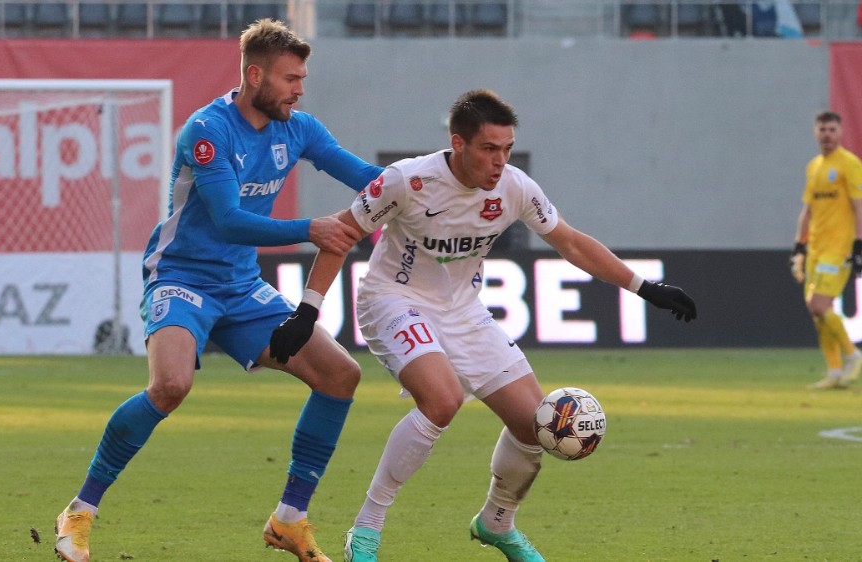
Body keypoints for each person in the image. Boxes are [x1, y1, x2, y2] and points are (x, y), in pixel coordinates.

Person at [269, 89, 697, 561]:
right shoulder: (406, 180)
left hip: (464, 311)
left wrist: (645, 287)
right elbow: (341, 234)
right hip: (394, 299)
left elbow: (571, 243)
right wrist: (308, 310)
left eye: (507, 149)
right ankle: (367, 528)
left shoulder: (515, 188)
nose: (500, 161)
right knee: (442, 400)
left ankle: (496, 522)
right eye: (489, 149)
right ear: (459, 144)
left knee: (536, 425)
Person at [53, 19, 382, 562]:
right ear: (255, 75)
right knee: (170, 386)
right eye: (290, 78)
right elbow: (228, 220)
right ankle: (80, 511)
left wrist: (427, 184)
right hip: (181, 277)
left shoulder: (299, 128)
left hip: (240, 286)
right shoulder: (207, 130)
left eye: (303, 77)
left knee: (340, 374)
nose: (299, 89)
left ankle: (289, 520)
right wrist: (310, 228)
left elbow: (367, 177)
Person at [790, 110, 862, 390]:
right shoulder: (814, 166)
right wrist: (799, 244)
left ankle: (853, 354)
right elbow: (807, 209)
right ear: (815, 132)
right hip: (816, 249)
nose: (827, 135)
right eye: (822, 130)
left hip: (839, 248)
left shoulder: (850, 164)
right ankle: (834, 371)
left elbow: (859, 206)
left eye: (832, 129)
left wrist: (858, 243)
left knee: (817, 304)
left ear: (840, 132)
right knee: (819, 311)